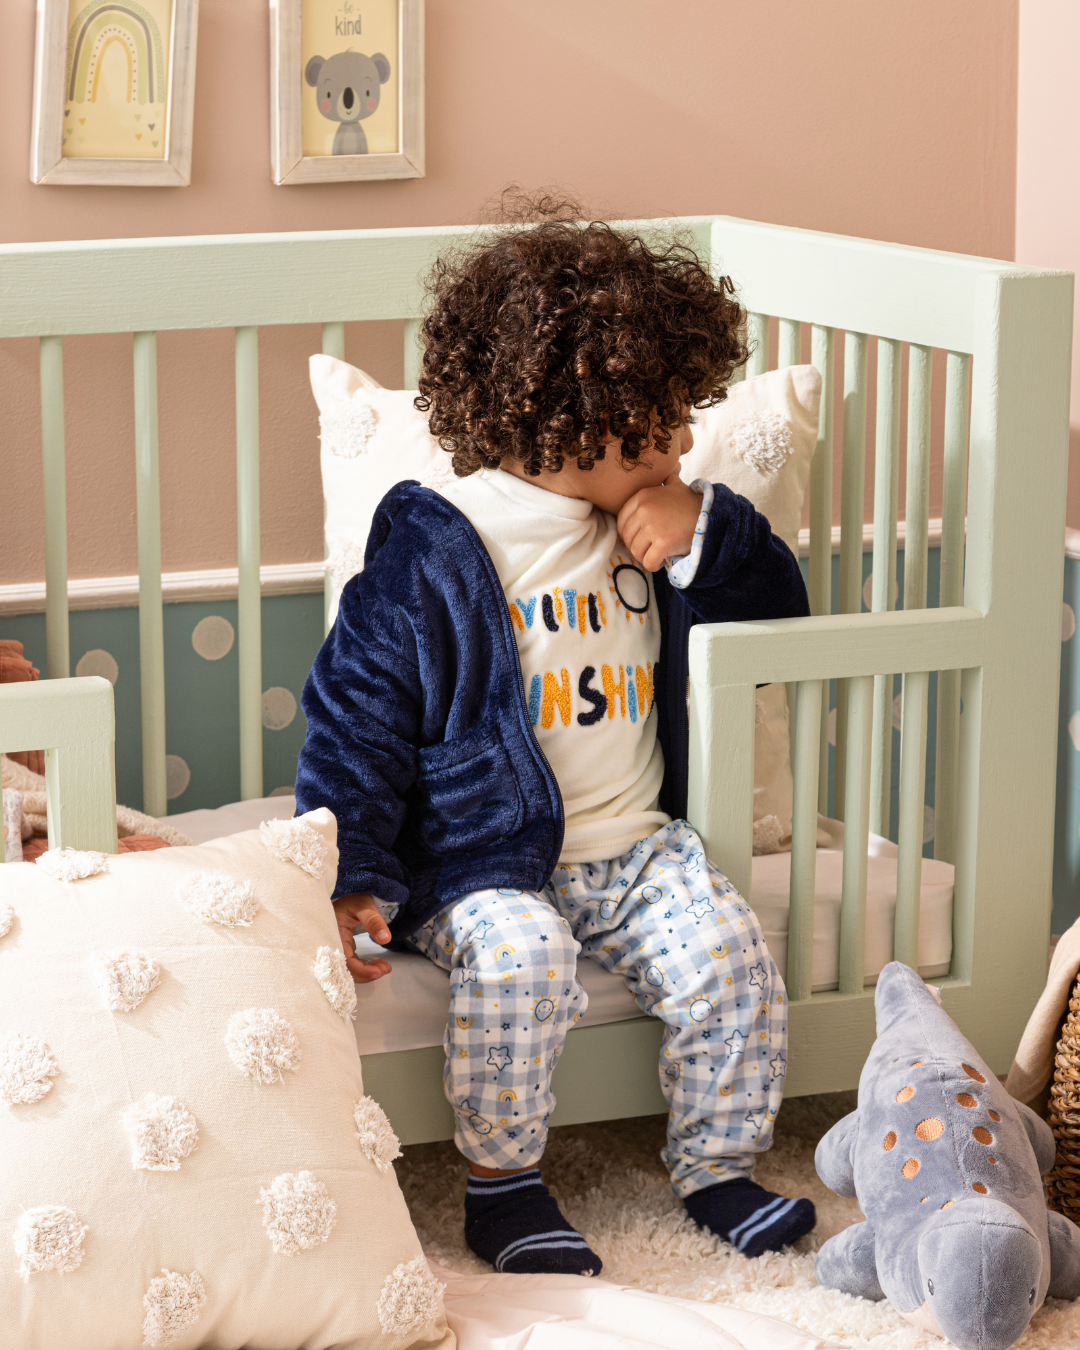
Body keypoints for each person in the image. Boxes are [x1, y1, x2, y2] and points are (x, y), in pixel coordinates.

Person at [295, 202, 816, 1276]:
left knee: (729, 954)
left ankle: (719, 1166)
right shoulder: (438, 547)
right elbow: (356, 718)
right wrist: (351, 876)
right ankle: (504, 1186)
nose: (685, 441)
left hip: (638, 851)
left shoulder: (664, 526)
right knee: (520, 961)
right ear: (581, 416)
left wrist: (712, 535)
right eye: (666, 416)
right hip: (481, 861)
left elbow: (779, 620)